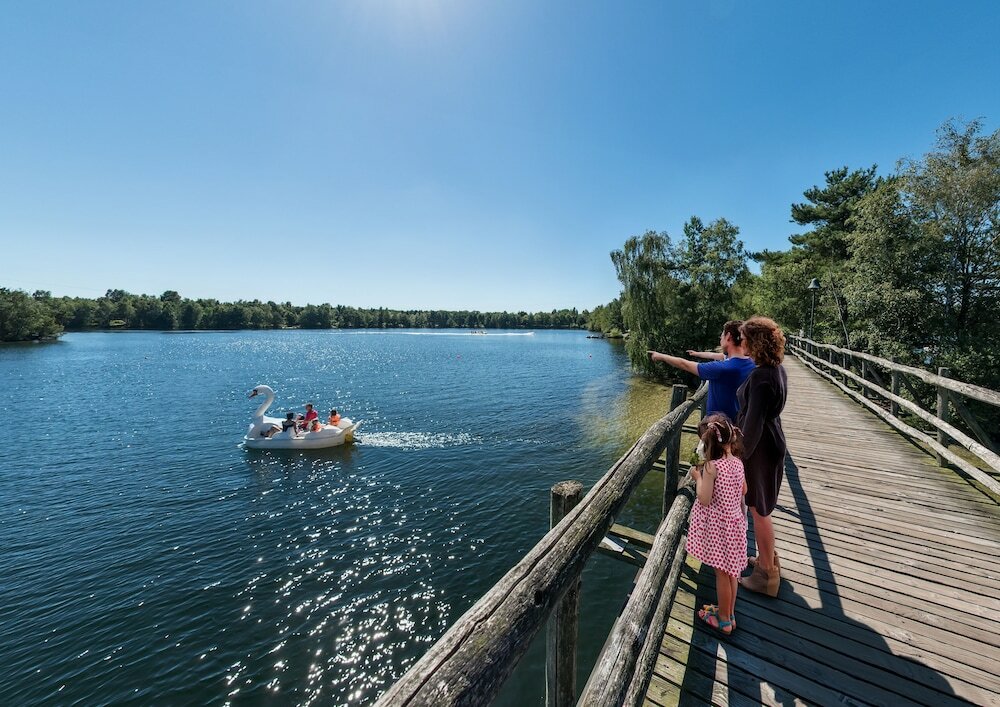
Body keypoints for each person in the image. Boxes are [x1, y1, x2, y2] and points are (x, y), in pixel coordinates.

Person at [736, 316, 788, 597]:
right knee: (763, 508)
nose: (741, 341)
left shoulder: (759, 377)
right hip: (773, 441)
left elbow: (752, 429)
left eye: (744, 338)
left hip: (760, 450)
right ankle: (768, 559)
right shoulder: (777, 370)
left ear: (754, 341)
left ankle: (766, 575)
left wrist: (736, 459)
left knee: (759, 511)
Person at [686, 414, 748, 637]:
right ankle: (728, 612)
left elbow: (704, 498)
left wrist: (697, 477)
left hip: (718, 529)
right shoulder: (737, 463)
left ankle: (723, 621)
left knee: (721, 574)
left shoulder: (712, 467)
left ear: (708, 443)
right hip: (734, 525)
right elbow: (743, 491)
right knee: (732, 573)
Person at [648, 320, 755, 421]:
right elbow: (716, 355)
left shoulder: (723, 368)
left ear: (728, 337)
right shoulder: (752, 363)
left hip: (719, 430)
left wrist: (660, 356)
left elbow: (684, 364)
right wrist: (697, 353)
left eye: (721, 336)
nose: (720, 339)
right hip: (739, 424)